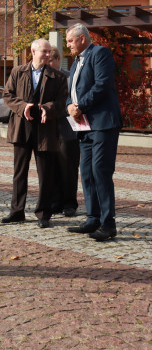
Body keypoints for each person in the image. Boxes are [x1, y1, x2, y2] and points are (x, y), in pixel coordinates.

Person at [2, 38, 67, 228]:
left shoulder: (59, 77)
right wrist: (23, 107)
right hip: (22, 128)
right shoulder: (17, 71)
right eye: (44, 51)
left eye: (49, 52)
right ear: (33, 52)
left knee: (45, 174)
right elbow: (7, 96)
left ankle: (44, 214)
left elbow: (62, 102)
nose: (48, 55)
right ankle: (17, 212)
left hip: (46, 130)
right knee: (19, 172)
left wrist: (48, 108)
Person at [66, 23, 122, 241]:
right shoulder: (76, 62)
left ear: (82, 39)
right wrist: (69, 106)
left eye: (70, 40)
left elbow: (102, 85)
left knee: (101, 170)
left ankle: (109, 224)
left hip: (103, 124)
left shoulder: (100, 53)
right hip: (84, 126)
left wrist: (80, 107)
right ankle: (93, 219)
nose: (68, 45)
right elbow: (71, 91)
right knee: (87, 172)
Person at [48, 46, 80, 217]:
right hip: (49, 131)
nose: (48, 63)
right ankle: (55, 202)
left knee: (69, 168)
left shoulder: (70, 77)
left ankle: (70, 203)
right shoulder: (44, 78)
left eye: (51, 59)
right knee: (52, 167)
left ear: (58, 59)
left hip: (68, 130)